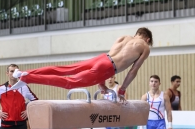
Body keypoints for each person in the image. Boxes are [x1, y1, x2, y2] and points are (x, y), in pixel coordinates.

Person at [11, 27, 153, 102]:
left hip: (101, 59)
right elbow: (133, 71)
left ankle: (25, 72)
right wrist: (121, 91)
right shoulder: (145, 47)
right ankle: (28, 78)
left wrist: (101, 83)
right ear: (147, 39)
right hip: (108, 68)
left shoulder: (123, 37)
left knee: (63, 70)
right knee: (69, 82)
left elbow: (108, 60)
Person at [0, 64, 38, 129]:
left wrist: (28, 111)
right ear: (7, 73)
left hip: (21, 125)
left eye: (16, 71)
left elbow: (35, 101)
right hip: (6, 125)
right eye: (12, 71)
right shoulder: (1, 88)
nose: (14, 73)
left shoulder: (24, 87)